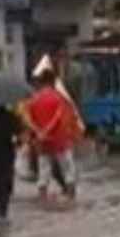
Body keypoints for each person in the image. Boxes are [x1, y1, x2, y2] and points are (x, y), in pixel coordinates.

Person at [26, 62, 80, 201]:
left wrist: (39, 132)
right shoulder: (59, 98)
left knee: (44, 170)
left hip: (42, 141)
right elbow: (63, 119)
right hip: (60, 140)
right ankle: (70, 196)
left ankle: (42, 196)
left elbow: (28, 120)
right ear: (53, 81)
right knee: (67, 168)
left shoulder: (33, 100)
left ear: (40, 82)